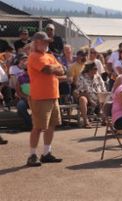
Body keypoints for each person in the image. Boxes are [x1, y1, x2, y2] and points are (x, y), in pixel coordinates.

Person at [26, 32, 65, 167]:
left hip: (53, 95)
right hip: (40, 97)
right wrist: (55, 68)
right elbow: (48, 70)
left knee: (51, 125)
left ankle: (46, 153)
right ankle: (32, 155)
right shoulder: (34, 56)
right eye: (44, 41)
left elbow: (63, 70)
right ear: (36, 42)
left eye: (48, 42)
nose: (47, 44)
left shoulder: (49, 55)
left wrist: (55, 68)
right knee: (38, 127)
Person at [75, 62, 107, 128]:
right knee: (82, 99)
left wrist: (103, 96)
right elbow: (80, 91)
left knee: (105, 97)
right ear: (89, 69)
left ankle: (104, 120)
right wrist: (90, 100)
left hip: (98, 96)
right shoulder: (82, 77)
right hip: (87, 96)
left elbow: (103, 89)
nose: (96, 70)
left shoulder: (98, 76)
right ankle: (85, 121)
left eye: (96, 69)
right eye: (94, 69)